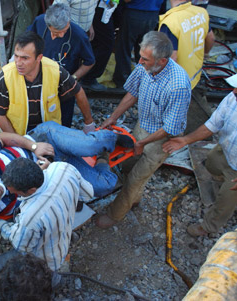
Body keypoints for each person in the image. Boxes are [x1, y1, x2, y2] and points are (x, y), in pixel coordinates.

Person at [96, 31, 191, 229]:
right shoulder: (145, 67)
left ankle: (115, 214)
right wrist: (113, 118)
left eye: (145, 59)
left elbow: (169, 127)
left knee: (135, 179)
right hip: (143, 126)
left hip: (161, 139)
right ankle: (133, 198)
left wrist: (142, 143)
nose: (139, 61)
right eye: (140, 56)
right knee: (127, 165)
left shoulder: (178, 86)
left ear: (162, 61)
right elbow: (133, 93)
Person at [0, 121, 134, 217]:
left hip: (44, 139)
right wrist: (45, 173)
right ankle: (103, 157)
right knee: (105, 185)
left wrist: (34, 147)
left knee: (90, 145)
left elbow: (2, 137)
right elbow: (37, 197)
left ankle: (112, 137)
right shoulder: (2, 208)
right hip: (54, 166)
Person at [0, 158, 93, 277]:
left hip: (50, 259)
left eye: (17, 193)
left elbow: (22, 246)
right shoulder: (63, 167)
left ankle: (54, 280)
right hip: (65, 230)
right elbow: (88, 194)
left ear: (31, 190)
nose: (15, 195)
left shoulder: (31, 217)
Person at [162, 74, 237, 236]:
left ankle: (209, 226)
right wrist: (185, 140)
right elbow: (212, 124)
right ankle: (223, 178)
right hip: (226, 151)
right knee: (211, 163)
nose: (235, 91)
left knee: (226, 200)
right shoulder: (232, 98)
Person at [0, 31, 95, 136]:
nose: (18, 63)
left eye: (25, 58)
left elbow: (78, 91)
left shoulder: (55, 71)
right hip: (19, 134)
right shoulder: (6, 76)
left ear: (39, 58)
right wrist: (18, 143)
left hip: (50, 134)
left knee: (87, 146)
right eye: (16, 56)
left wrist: (89, 123)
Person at [27, 2, 95, 127]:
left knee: (63, 120)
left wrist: (72, 79)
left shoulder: (79, 36)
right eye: (55, 33)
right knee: (37, 116)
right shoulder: (39, 22)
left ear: (68, 23)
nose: (59, 36)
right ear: (48, 25)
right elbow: (27, 41)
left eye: (63, 31)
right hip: (38, 80)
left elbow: (89, 62)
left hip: (63, 85)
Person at [159, 0, 215, 134]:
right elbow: (210, 38)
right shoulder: (201, 12)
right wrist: (205, 54)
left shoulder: (171, 22)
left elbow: (171, 58)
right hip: (193, 75)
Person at [113, 0, 166, 88]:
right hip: (153, 14)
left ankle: (123, 80)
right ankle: (143, 79)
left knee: (124, 48)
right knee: (144, 50)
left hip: (134, 12)